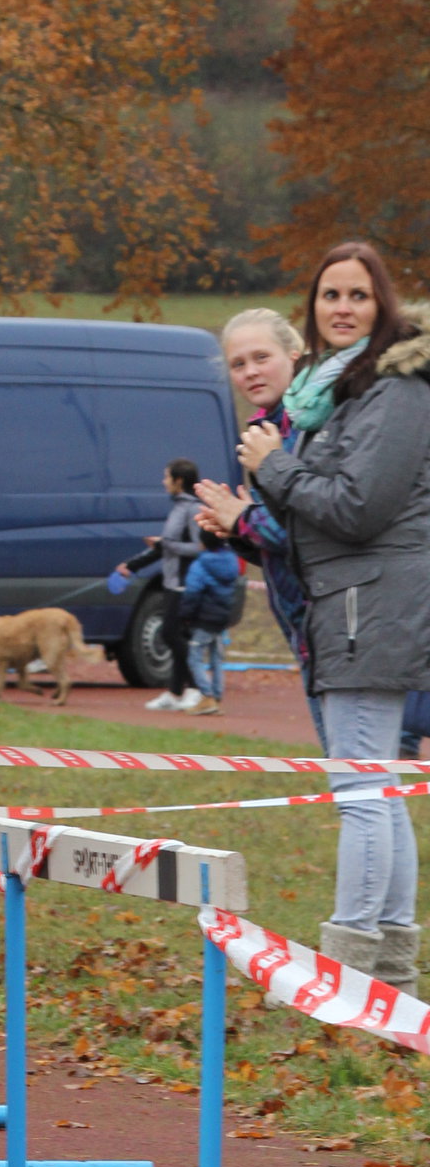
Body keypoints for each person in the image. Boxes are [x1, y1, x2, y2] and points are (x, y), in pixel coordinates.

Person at [240, 241, 430, 986]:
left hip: (372, 604)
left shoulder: (395, 390)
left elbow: (357, 508)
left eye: (358, 295)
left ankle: (348, 967)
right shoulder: (336, 391)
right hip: (354, 601)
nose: (343, 308)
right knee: (378, 789)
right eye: (330, 295)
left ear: (382, 304)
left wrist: (274, 467)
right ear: (313, 308)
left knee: (361, 791)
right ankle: (390, 967)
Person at [195, 309, 313, 726]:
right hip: (304, 625)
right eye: (238, 364)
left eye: (262, 358)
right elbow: (281, 545)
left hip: (342, 623)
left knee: (369, 758)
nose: (250, 372)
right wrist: (237, 531)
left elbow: (309, 528)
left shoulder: (312, 426)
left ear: (294, 356)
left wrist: (244, 518)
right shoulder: (262, 430)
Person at [118, 459, 204, 712]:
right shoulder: (177, 508)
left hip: (186, 583)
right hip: (170, 581)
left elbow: (200, 548)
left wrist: (166, 545)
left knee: (171, 634)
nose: (163, 482)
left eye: (167, 477)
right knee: (174, 635)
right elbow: (165, 545)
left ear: (179, 480)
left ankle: (196, 688)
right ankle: (175, 693)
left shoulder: (193, 509)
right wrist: (132, 565)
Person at [179, 540, 241, 714]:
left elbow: (192, 592)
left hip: (204, 618)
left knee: (195, 657)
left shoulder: (200, 564)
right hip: (222, 617)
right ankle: (217, 696)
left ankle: (207, 696)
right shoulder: (231, 561)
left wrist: (185, 616)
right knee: (216, 658)